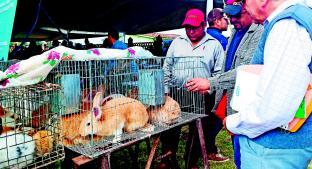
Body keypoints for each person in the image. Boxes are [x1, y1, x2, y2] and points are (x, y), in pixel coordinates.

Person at [223, 0, 312, 168]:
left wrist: (234, 123)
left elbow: (275, 108)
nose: (244, 7)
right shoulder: (292, 19)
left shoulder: (288, 24)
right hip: (277, 148)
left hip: (271, 150)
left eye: (244, 1)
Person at [185, 0, 263, 168]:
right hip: (231, 101)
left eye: (237, 15)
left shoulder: (259, 32)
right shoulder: (236, 32)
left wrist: (210, 82)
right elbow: (226, 65)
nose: (233, 20)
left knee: (246, 151)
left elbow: (246, 71)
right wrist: (212, 88)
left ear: (249, 9)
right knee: (238, 149)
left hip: (246, 102)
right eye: (230, 16)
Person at [160, 8, 225, 169]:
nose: (190, 31)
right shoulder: (177, 42)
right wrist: (166, 89)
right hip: (177, 92)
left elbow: (220, 73)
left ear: (203, 25)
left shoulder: (214, 45)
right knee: (170, 127)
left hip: (202, 95)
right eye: (187, 27)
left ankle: (191, 162)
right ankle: (167, 160)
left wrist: (208, 86)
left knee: (198, 130)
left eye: (194, 27)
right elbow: (167, 66)